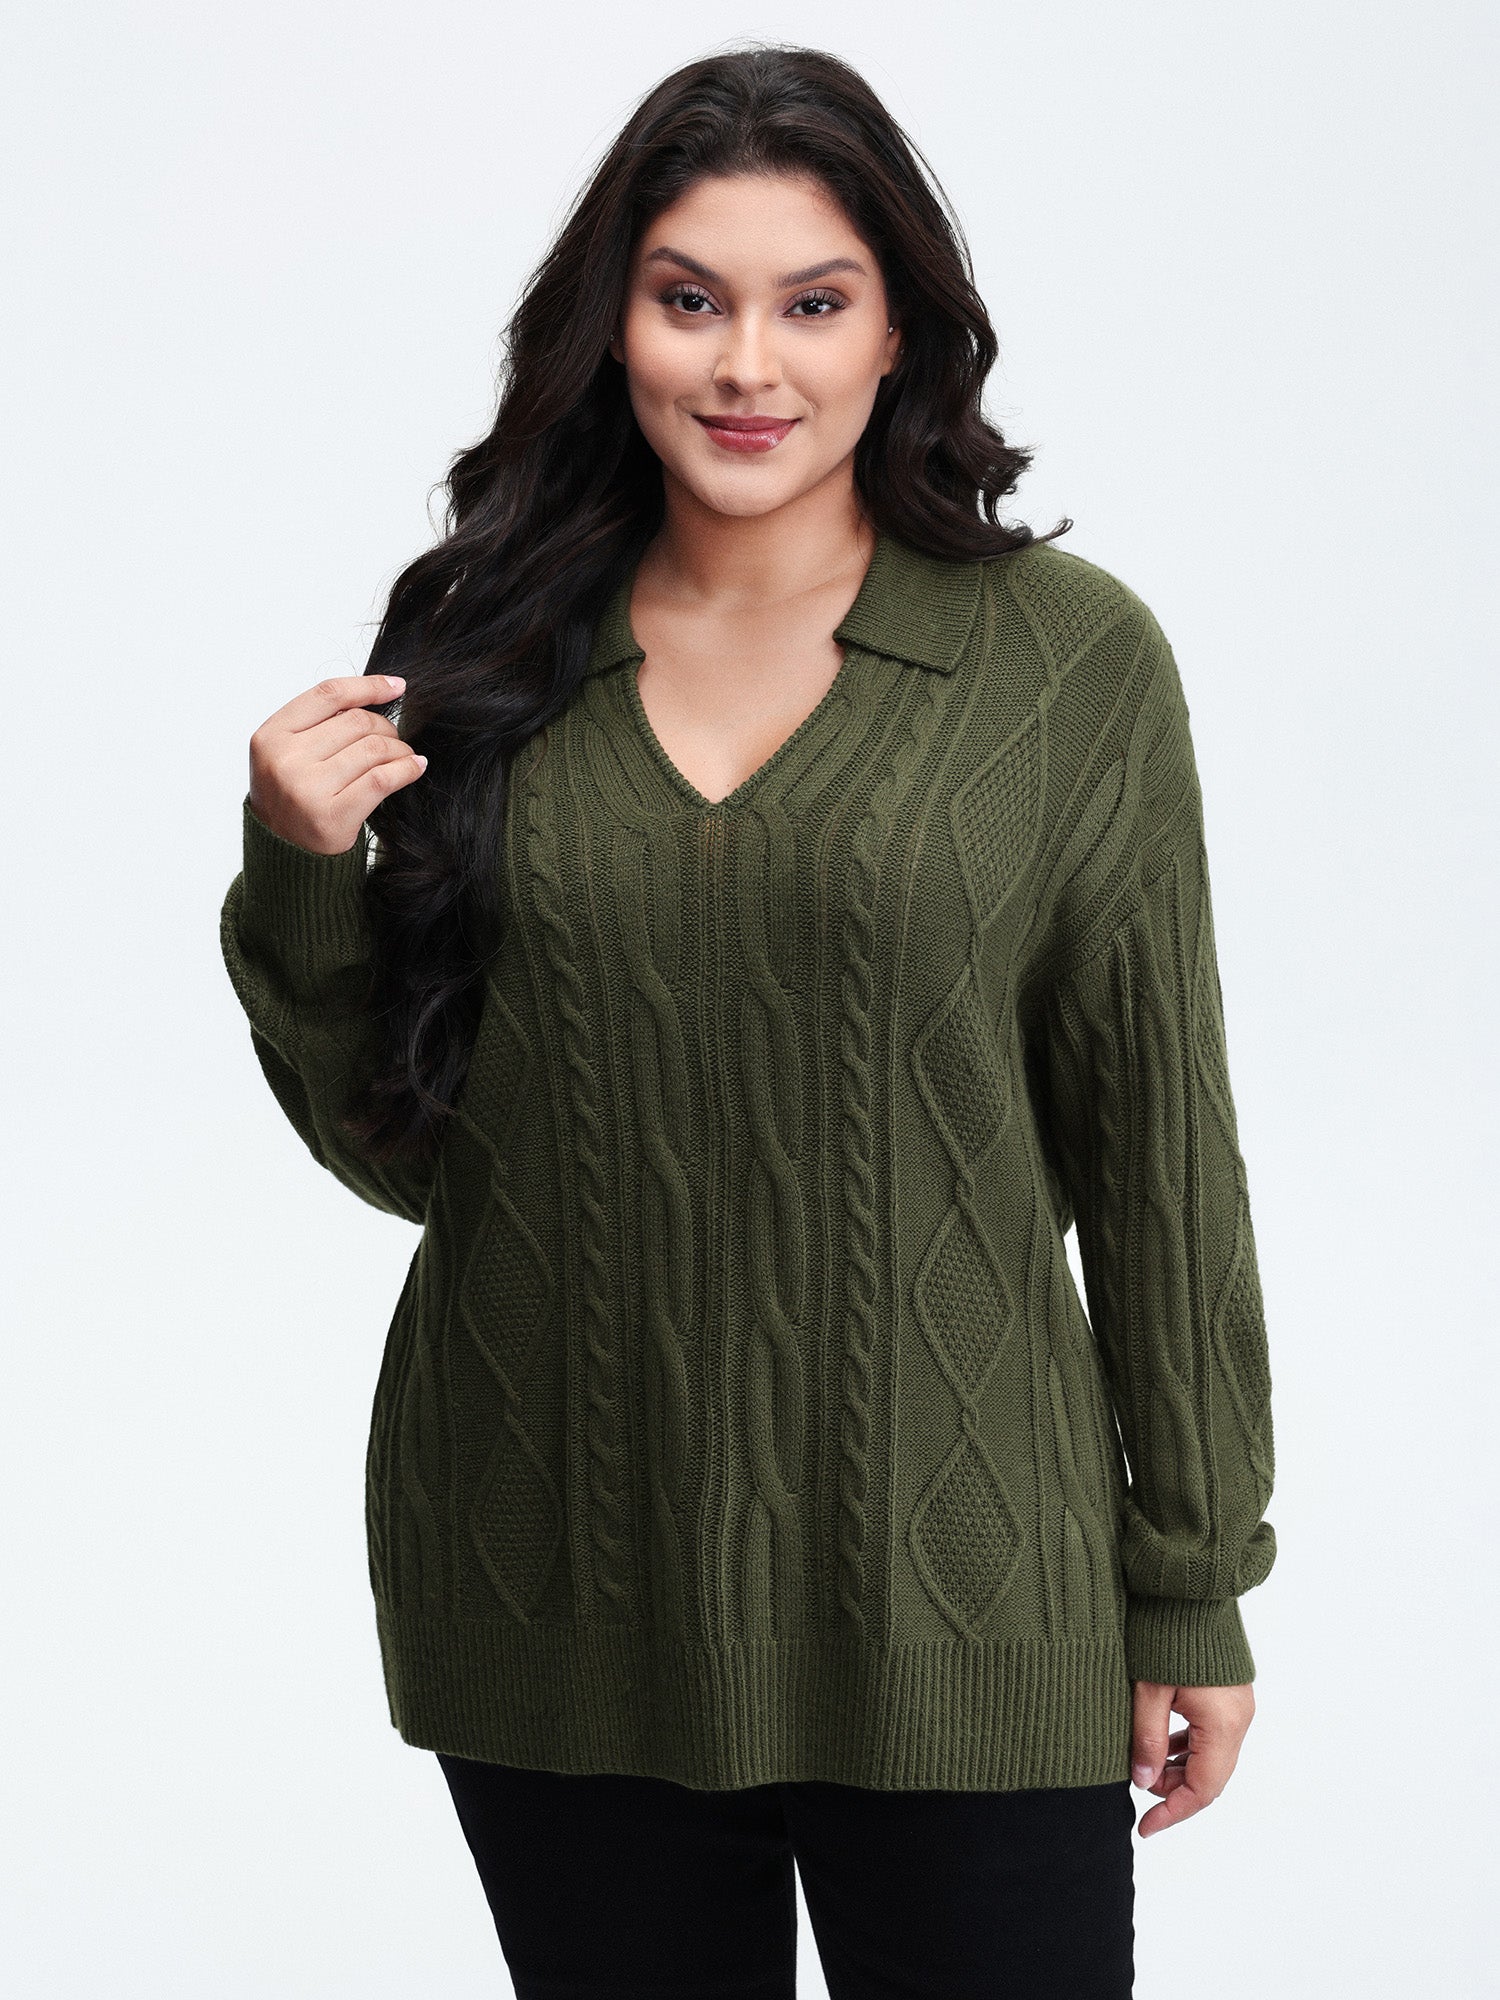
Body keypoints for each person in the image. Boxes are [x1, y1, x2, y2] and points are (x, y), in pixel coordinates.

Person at [219, 42, 1277, 2000]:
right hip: (558, 1583)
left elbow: (1158, 1160)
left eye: (814, 303)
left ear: (901, 333)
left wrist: (1194, 1576)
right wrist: (302, 873)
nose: (747, 365)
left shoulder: (1068, 669)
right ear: (610, 323)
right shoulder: (484, 648)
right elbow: (422, 1155)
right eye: (690, 298)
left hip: (965, 1600)